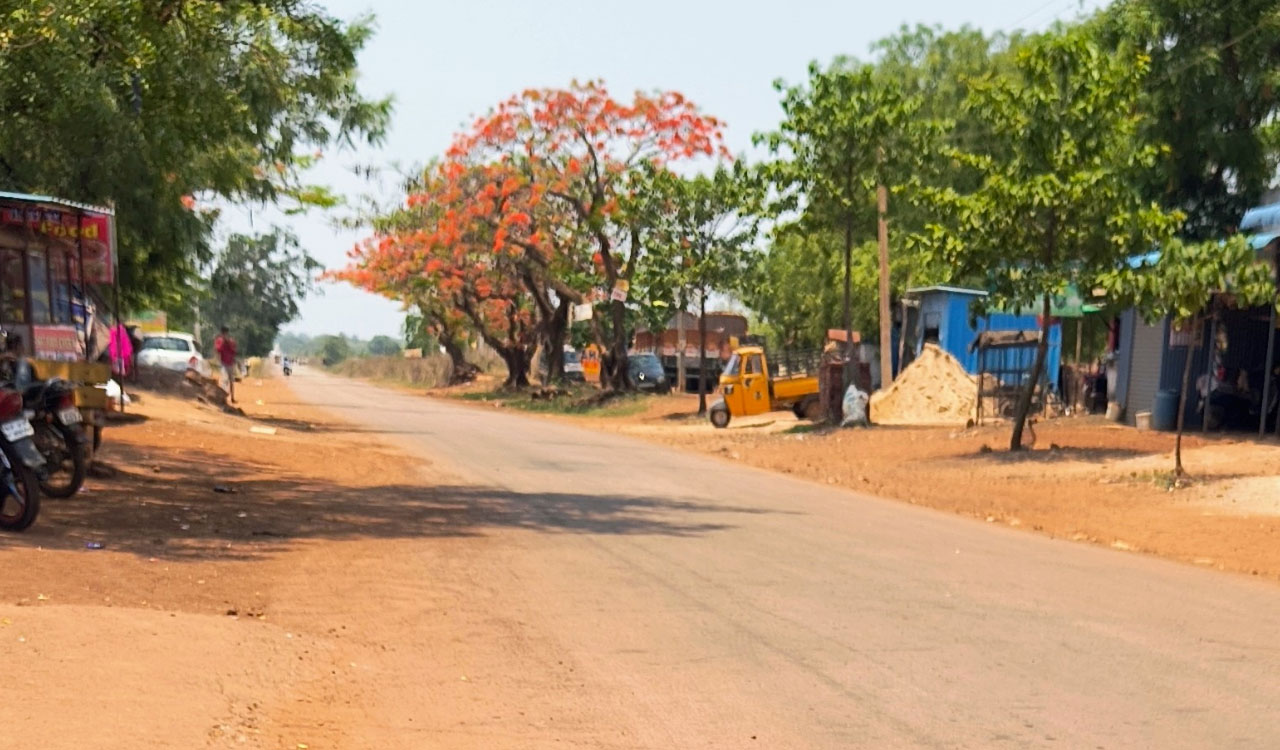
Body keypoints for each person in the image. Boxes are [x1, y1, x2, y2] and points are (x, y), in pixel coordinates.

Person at [213, 326, 238, 403]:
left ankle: (232, 397)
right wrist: (224, 343)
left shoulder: (231, 341)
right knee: (224, 380)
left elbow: (234, 351)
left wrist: (228, 343)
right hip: (223, 362)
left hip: (230, 363)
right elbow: (218, 349)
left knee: (231, 381)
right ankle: (223, 398)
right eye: (224, 333)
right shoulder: (219, 341)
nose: (225, 334)